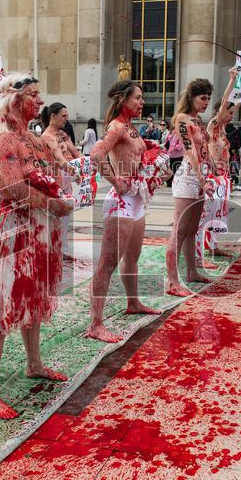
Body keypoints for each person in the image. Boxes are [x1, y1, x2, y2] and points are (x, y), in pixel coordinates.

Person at [0, 73, 74, 419]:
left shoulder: (32, 139)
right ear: (15, 100)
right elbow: (12, 190)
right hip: (13, 232)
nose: (40, 102)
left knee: (35, 299)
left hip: (39, 230)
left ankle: (34, 363)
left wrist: (65, 189)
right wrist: (54, 204)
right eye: (33, 95)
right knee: (1, 311)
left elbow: (53, 172)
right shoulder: (3, 140)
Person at [86, 80, 162, 342]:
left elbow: (137, 155)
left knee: (133, 257)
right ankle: (95, 323)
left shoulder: (131, 127)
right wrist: (116, 182)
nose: (142, 103)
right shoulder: (117, 126)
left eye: (142, 98)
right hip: (121, 201)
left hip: (137, 199)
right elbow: (96, 155)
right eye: (138, 98)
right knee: (107, 263)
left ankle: (133, 302)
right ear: (123, 100)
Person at [166, 79, 214, 297]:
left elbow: (204, 149)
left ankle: (191, 271)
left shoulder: (198, 119)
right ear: (192, 97)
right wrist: (201, 177)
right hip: (188, 177)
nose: (206, 102)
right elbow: (190, 151)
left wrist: (212, 170)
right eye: (203, 98)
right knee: (179, 230)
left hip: (200, 175)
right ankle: (172, 281)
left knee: (193, 230)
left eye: (208, 98)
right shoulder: (183, 119)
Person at [197, 68, 239, 266]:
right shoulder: (214, 124)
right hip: (213, 176)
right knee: (210, 214)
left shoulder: (222, 129)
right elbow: (225, 102)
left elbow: (235, 103)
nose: (231, 116)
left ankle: (213, 246)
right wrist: (232, 79)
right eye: (229, 113)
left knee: (219, 214)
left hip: (224, 177)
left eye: (232, 113)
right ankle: (204, 249)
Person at [41, 101, 82, 262]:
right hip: (54, 180)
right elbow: (59, 158)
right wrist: (73, 170)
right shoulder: (47, 136)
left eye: (67, 116)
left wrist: (86, 165)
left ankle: (62, 249)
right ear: (53, 116)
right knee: (53, 218)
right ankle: (50, 250)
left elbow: (74, 151)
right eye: (63, 116)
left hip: (65, 180)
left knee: (66, 217)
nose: (66, 119)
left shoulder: (63, 134)